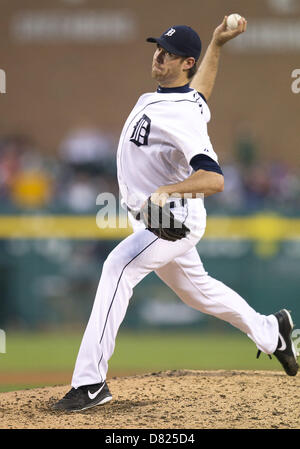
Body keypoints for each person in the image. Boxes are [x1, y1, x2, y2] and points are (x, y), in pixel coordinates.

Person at [53, 16, 299, 412]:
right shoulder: (180, 100)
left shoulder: (183, 117)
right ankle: (274, 332)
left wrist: (167, 190)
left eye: (169, 54)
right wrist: (217, 45)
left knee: (117, 266)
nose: (159, 56)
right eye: (158, 49)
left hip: (173, 223)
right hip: (156, 218)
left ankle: (91, 383)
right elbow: (199, 91)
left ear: (185, 61)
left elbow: (214, 178)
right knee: (198, 291)